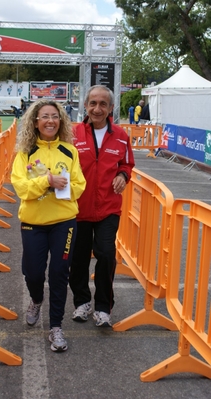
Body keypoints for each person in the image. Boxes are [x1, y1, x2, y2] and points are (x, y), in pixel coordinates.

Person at [11, 99, 86, 352]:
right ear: (35, 122)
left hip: (64, 222)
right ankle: (35, 300)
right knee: (33, 273)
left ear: (61, 120)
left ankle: (56, 328)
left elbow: (79, 184)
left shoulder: (69, 151)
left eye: (55, 116)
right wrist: (47, 181)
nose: (50, 121)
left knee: (59, 273)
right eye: (45, 116)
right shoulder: (26, 153)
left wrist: (66, 188)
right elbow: (21, 187)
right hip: (33, 222)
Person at [69, 85, 135, 327]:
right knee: (78, 258)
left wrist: (123, 176)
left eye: (103, 104)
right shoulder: (72, 133)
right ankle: (81, 302)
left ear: (111, 108)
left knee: (106, 254)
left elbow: (127, 164)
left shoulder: (120, 135)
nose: (97, 108)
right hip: (77, 208)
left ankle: (103, 308)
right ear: (85, 106)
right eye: (93, 103)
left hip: (108, 207)